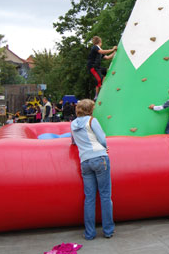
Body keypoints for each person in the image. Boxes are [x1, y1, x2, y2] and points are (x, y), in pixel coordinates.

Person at [70, 99, 115, 240]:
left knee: (89, 198)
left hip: (85, 161)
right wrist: (104, 147)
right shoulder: (92, 120)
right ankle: (107, 230)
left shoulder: (72, 124)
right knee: (105, 196)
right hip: (99, 157)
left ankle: (89, 233)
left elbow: (73, 141)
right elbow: (102, 139)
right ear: (90, 109)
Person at [87, 36, 117, 100]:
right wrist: (112, 49)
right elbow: (102, 51)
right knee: (99, 80)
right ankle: (96, 96)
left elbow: (108, 57)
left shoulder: (99, 51)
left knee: (107, 72)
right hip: (92, 67)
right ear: (100, 42)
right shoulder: (95, 47)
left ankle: (103, 87)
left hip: (98, 67)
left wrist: (115, 52)